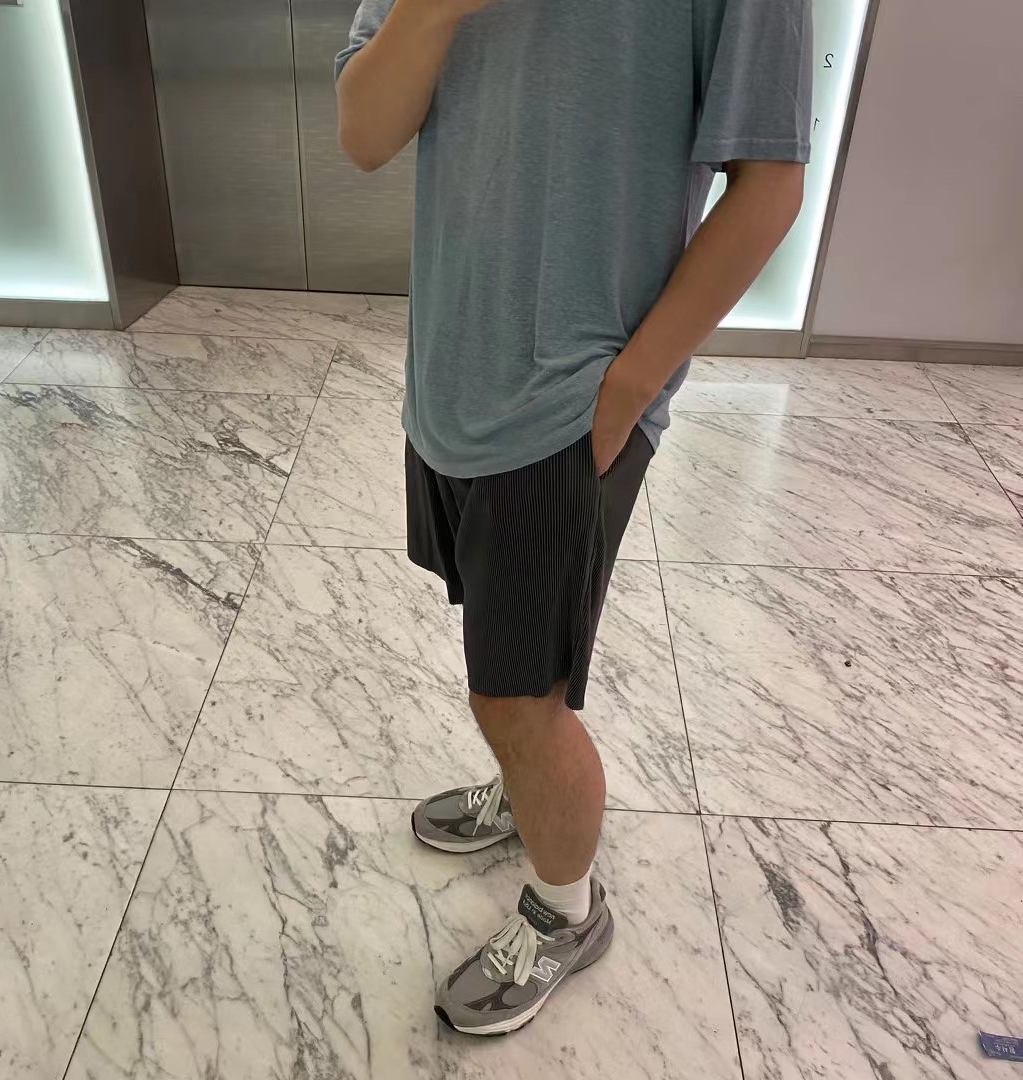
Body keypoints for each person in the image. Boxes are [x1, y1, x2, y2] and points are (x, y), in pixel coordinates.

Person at [336, 0, 812, 1037]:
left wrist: (629, 388)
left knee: (519, 700)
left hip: (571, 398)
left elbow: (771, 181)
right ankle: (525, 793)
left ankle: (566, 911)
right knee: (502, 643)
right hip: (451, 365)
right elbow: (365, 133)